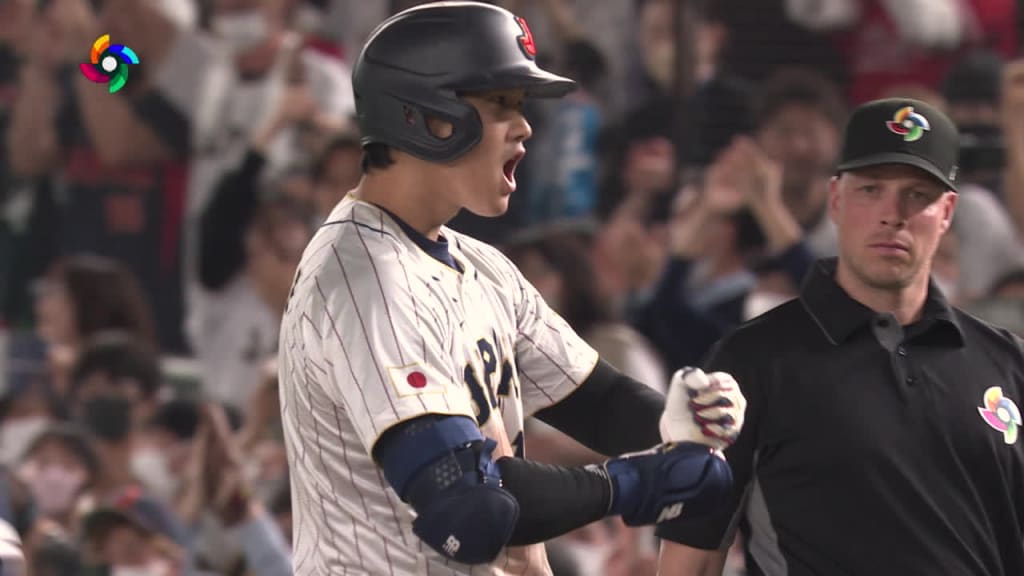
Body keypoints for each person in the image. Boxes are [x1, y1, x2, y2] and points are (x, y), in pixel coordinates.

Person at [277, 3, 747, 575]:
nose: (524, 126)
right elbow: (465, 509)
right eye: (500, 103)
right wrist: (633, 483)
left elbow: (599, 403)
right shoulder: (363, 278)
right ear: (424, 115)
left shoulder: (482, 266)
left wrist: (682, 422)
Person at [657, 98, 1024, 575]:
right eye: (871, 189)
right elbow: (693, 559)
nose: (892, 214)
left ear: (948, 210)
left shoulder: (1008, 363)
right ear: (836, 199)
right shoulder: (749, 362)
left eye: (917, 195)